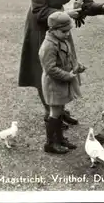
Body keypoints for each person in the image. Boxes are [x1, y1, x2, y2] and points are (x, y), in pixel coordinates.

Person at [18, 0, 104, 129]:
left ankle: (59, 111)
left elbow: (86, 2)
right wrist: (66, 14)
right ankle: (51, 113)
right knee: (47, 68)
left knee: (64, 63)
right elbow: (38, 10)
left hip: (62, 23)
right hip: (40, 25)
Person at [39, 11, 85, 154]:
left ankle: (59, 138)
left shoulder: (61, 40)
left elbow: (69, 57)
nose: (67, 34)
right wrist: (68, 76)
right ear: (53, 30)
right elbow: (50, 69)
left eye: (68, 30)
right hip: (54, 85)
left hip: (61, 82)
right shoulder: (49, 46)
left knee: (60, 111)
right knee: (55, 112)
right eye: (64, 31)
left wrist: (76, 66)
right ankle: (51, 143)